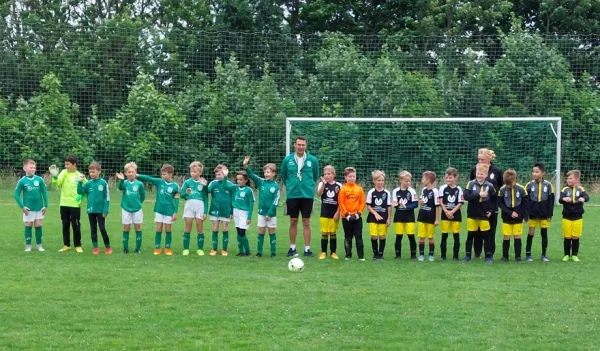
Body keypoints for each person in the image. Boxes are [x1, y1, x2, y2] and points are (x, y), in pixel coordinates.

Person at [280, 136, 320, 257]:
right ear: (295, 145)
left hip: (307, 194)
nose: (301, 147)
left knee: (306, 221)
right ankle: (292, 248)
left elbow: (315, 175)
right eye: (299, 144)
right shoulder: (288, 159)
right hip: (293, 194)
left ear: (306, 146)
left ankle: (307, 249)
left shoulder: (312, 160)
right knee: (293, 221)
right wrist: (292, 185)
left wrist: (307, 184)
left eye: (303, 145)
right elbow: (284, 175)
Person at [138, 165, 180, 256]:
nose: (162, 176)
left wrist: (175, 212)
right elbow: (149, 178)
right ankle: (157, 248)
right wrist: (137, 175)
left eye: (164, 174)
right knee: (159, 228)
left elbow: (176, 201)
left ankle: (167, 248)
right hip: (159, 210)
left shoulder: (175, 186)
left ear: (170, 174)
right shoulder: (159, 182)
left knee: (168, 229)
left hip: (169, 211)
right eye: (161, 174)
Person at [244, 156, 280, 258]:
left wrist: (269, 213)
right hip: (261, 212)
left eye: (268, 172)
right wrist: (245, 165)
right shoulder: (261, 182)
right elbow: (251, 175)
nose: (266, 174)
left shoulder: (276, 186)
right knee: (261, 231)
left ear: (273, 173)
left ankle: (273, 253)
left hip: (271, 214)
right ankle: (259, 252)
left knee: (272, 231)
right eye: (265, 172)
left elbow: (275, 201)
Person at [469, 148, 502, 258]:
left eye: (482, 159)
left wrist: (492, 205)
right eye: (479, 159)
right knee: (477, 231)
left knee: (490, 231)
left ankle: (490, 254)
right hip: (477, 206)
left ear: (489, 159)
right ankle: (477, 253)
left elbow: (500, 186)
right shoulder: (474, 169)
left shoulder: (496, 171)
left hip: (490, 205)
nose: (480, 162)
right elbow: (472, 185)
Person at [50, 155, 86, 253]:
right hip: (64, 204)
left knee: (76, 225)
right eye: (65, 164)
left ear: (74, 164)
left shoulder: (80, 176)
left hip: (75, 205)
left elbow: (87, 189)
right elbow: (57, 183)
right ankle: (66, 245)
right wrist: (54, 176)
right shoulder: (63, 172)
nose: (66, 166)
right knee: (65, 224)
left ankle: (78, 246)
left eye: (68, 164)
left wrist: (81, 196)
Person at [463, 163, 497, 264]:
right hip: (472, 213)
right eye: (478, 173)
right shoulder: (470, 184)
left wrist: (491, 210)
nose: (479, 176)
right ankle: (467, 255)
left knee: (486, 236)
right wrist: (478, 195)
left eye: (482, 174)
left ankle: (488, 256)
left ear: (486, 175)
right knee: (470, 236)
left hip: (484, 214)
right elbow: (466, 197)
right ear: (475, 173)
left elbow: (495, 200)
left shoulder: (490, 186)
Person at [77, 162, 111, 254]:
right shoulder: (88, 183)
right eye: (90, 172)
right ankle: (95, 247)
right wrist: (80, 182)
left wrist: (105, 210)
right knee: (93, 229)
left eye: (93, 172)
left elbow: (107, 197)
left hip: (100, 210)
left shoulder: (103, 183)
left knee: (102, 228)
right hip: (91, 210)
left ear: (99, 172)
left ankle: (108, 247)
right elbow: (80, 192)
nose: (91, 174)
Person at [14, 159, 48, 252]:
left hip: (39, 207)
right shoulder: (22, 181)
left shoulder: (39, 179)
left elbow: (44, 192)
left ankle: (39, 245)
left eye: (34, 167)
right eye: (31, 167)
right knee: (29, 224)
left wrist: (46, 205)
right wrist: (22, 206)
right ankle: (28, 245)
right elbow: (16, 195)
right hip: (28, 209)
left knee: (38, 224)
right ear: (24, 168)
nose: (33, 169)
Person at [221, 169, 255, 256]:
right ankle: (241, 251)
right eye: (237, 179)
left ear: (246, 180)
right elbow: (224, 186)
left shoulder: (248, 190)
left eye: (241, 179)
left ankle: (247, 251)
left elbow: (251, 204)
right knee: (238, 232)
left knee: (242, 233)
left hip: (244, 213)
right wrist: (225, 176)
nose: (238, 181)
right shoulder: (235, 188)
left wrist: (249, 217)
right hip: (236, 212)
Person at [525, 163, 554, 262]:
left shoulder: (548, 185)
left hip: (544, 214)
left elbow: (551, 200)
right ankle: (528, 254)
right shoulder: (529, 185)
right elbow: (526, 200)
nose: (534, 174)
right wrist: (526, 213)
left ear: (543, 173)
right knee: (531, 232)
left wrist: (550, 214)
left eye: (537, 172)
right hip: (532, 213)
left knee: (544, 233)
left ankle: (544, 255)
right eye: (533, 171)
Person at [498, 169, 529, 262]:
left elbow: (525, 203)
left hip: (518, 215)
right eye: (506, 184)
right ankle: (505, 256)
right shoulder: (502, 190)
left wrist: (523, 215)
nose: (508, 186)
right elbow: (500, 203)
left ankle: (518, 256)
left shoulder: (521, 189)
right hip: (506, 216)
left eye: (510, 184)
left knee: (517, 236)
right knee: (506, 236)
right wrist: (510, 212)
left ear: (515, 180)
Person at [559, 170, 590, 262]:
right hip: (567, 217)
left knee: (575, 237)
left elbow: (587, 197)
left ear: (576, 180)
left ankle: (574, 255)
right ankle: (567, 255)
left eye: (570, 178)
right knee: (567, 237)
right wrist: (563, 198)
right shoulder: (565, 189)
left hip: (578, 217)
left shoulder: (581, 189)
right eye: (567, 178)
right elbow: (560, 199)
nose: (568, 180)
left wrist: (583, 198)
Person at [116, 162, 146, 254]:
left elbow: (143, 195)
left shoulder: (139, 184)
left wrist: (138, 203)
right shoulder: (124, 183)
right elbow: (120, 188)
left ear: (135, 172)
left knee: (138, 227)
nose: (130, 174)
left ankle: (138, 249)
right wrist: (121, 180)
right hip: (126, 209)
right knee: (126, 228)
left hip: (137, 209)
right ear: (125, 173)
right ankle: (125, 249)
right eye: (128, 172)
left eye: (132, 172)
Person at [180, 161, 209, 256]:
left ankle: (200, 249)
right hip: (189, 205)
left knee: (199, 227)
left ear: (200, 173)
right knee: (188, 227)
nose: (193, 173)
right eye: (191, 171)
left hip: (200, 206)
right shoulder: (187, 182)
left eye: (195, 172)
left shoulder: (203, 182)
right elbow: (182, 195)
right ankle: (186, 249)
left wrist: (205, 211)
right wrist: (186, 193)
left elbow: (206, 197)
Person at [338, 167, 365, 261]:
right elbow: (341, 203)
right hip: (346, 217)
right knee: (348, 236)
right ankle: (348, 255)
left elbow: (362, 203)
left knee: (358, 236)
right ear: (345, 177)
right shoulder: (343, 189)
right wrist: (347, 215)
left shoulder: (359, 189)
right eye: (350, 176)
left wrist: (358, 213)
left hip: (357, 217)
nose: (352, 178)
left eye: (354, 176)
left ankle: (361, 256)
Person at [208, 165, 234, 256]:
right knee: (215, 228)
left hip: (226, 210)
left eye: (220, 174)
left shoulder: (230, 184)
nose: (218, 176)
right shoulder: (213, 183)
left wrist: (232, 212)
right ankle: (214, 249)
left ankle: (224, 250)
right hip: (215, 209)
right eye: (217, 174)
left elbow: (232, 199)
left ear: (225, 174)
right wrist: (203, 186)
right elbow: (207, 191)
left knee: (224, 229)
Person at [438, 168, 464, 261]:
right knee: (444, 235)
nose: (448, 179)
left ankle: (455, 257)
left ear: (455, 178)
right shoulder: (442, 188)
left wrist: (452, 212)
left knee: (456, 236)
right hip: (445, 215)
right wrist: (446, 211)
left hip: (456, 215)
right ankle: (443, 256)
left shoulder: (459, 189)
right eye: (446, 178)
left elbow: (460, 202)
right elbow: (440, 201)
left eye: (450, 178)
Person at [392, 171, 418, 260]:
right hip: (399, 216)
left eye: (409, 181)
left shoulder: (412, 191)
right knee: (399, 236)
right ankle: (398, 255)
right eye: (406, 181)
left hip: (409, 217)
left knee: (411, 236)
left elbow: (415, 204)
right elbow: (395, 204)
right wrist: (395, 205)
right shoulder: (395, 191)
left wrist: (406, 206)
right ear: (401, 180)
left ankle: (413, 255)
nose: (408, 183)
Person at [317, 165, 342, 260]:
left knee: (333, 233)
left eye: (329, 174)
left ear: (334, 174)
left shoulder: (339, 186)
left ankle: (333, 252)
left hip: (334, 213)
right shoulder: (322, 184)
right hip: (324, 213)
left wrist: (338, 213)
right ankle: (323, 252)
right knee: (324, 233)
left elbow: (340, 201)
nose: (327, 176)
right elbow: (319, 194)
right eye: (325, 174)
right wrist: (323, 184)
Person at [366, 170, 391, 260]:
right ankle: (375, 253)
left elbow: (389, 206)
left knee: (382, 236)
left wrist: (389, 218)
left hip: (383, 217)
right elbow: (368, 206)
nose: (380, 182)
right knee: (374, 236)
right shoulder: (371, 192)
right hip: (373, 217)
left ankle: (380, 254)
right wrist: (375, 213)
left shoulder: (387, 193)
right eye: (378, 180)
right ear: (374, 181)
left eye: (382, 180)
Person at [417, 171, 440, 262]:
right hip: (422, 216)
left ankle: (431, 255)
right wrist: (421, 202)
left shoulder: (435, 191)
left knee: (430, 236)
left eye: (423, 179)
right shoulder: (423, 190)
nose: (422, 180)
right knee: (421, 236)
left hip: (431, 217)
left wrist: (437, 219)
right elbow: (422, 201)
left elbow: (437, 206)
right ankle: (421, 255)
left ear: (428, 180)